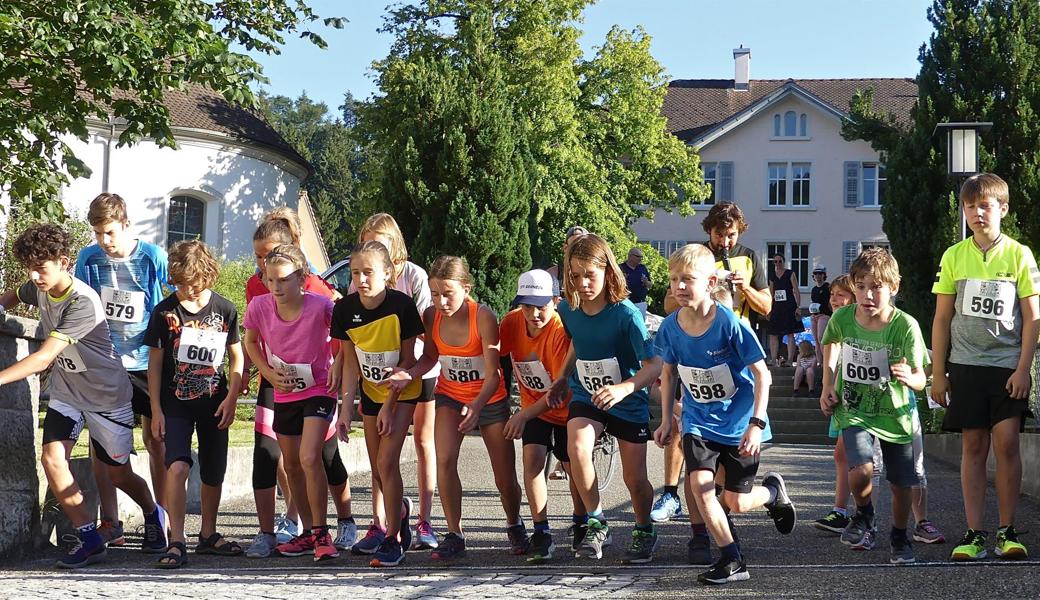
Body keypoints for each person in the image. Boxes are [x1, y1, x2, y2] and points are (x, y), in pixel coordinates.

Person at [0, 223, 167, 568]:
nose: (34, 276)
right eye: (30, 268)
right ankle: (89, 538)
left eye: (41, 268)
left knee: (118, 473)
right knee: (52, 458)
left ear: (64, 262)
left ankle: (154, 514)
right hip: (68, 393)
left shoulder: (82, 302)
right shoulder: (39, 287)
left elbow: (44, 357)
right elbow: (14, 295)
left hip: (106, 396)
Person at [653, 243, 796, 584]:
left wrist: (756, 424)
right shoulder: (670, 327)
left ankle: (772, 494)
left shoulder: (730, 324)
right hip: (698, 422)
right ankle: (732, 560)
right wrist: (665, 419)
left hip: (739, 424)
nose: (678, 287)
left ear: (710, 281)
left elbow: (763, 374)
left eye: (687, 279)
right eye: (674, 280)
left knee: (735, 501)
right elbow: (669, 373)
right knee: (701, 488)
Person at [384, 256, 526, 560]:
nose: (441, 301)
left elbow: (494, 373)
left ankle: (514, 523)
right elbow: (431, 358)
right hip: (450, 395)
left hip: (488, 399)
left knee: (503, 475)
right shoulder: (431, 316)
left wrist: (476, 406)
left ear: (466, 288)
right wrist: (409, 373)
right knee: (444, 459)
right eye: (435, 294)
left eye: (448, 293)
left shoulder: (483, 317)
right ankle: (454, 533)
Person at [931, 173, 1038, 561]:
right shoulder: (953, 256)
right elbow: (942, 319)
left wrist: (1024, 368)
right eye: (970, 206)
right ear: (964, 210)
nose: (978, 213)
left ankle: (1007, 530)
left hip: (1007, 365)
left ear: (1003, 209)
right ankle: (975, 532)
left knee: (1007, 442)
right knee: (973, 445)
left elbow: (1032, 318)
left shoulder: (1019, 253)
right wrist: (938, 372)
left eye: (986, 205)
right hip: (965, 364)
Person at [244, 208, 355, 559]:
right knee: (290, 464)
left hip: (319, 389)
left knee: (311, 456)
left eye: (283, 280)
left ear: (301, 277)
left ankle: (323, 533)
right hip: (284, 391)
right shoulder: (260, 305)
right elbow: (249, 341)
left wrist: (338, 363)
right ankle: (308, 532)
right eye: (269, 279)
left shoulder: (321, 304)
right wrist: (266, 371)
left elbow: (344, 336)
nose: (275, 286)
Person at [650, 202, 771, 525]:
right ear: (709, 232)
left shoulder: (749, 257)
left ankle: (729, 510)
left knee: (730, 488)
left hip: (735, 355)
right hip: (692, 351)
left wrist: (743, 288)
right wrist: (691, 288)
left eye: (731, 235)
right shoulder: (693, 258)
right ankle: (677, 499)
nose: (726, 242)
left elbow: (767, 306)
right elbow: (668, 303)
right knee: (686, 432)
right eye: (720, 234)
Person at [546, 233, 662, 564]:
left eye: (590, 275)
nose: (582, 283)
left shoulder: (626, 314)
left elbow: (654, 365)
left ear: (608, 271)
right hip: (587, 394)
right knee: (577, 446)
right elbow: (576, 343)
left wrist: (625, 387)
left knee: (635, 480)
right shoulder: (568, 309)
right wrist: (562, 378)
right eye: (575, 276)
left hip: (626, 399)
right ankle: (597, 520)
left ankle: (644, 529)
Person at [819, 247, 928, 564]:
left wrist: (911, 377)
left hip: (895, 415)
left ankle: (899, 534)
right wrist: (827, 384)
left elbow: (923, 377)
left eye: (876, 287)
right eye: (862, 286)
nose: (868, 295)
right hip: (855, 410)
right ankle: (864, 513)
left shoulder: (905, 326)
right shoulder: (842, 317)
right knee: (861, 469)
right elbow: (831, 342)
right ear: (853, 286)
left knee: (900, 483)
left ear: (893, 288)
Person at [75, 193, 169, 546]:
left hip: (147, 362)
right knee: (101, 444)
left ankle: (160, 519)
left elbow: (170, 299)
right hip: (106, 361)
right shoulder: (88, 258)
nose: (104, 241)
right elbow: (80, 301)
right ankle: (110, 522)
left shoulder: (151, 256)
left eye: (110, 233)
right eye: (98, 233)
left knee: (155, 440)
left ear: (126, 224)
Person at [146, 240, 243, 567]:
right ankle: (176, 540)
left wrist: (232, 398)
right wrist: (156, 409)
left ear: (208, 277)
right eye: (180, 283)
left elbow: (237, 357)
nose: (187, 290)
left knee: (214, 470)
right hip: (176, 403)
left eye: (194, 283)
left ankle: (208, 534)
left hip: (215, 401)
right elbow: (155, 363)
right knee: (178, 465)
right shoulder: (164, 311)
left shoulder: (225, 310)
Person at [332, 240, 425, 567]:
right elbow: (350, 364)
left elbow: (405, 359)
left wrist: (390, 402)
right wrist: (345, 409)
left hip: (402, 392)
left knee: (387, 462)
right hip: (371, 395)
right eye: (355, 273)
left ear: (388, 273)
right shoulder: (343, 310)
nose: (361, 279)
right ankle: (399, 511)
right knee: (377, 469)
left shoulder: (402, 306)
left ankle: (392, 539)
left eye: (368, 272)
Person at [354, 213, 439, 551]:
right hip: (377, 377)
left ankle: (425, 520)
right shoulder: (362, 276)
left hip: (419, 371)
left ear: (395, 243)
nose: (372, 246)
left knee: (422, 441)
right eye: (367, 240)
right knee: (381, 452)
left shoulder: (414, 276)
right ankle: (380, 521)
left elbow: (423, 329)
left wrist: (408, 369)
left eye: (380, 240)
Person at [500, 269, 586, 563]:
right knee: (533, 460)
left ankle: (581, 521)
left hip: (566, 405)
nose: (534, 314)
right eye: (527, 306)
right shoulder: (512, 322)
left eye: (542, 306)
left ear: (555, 300)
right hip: (534, 405)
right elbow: (498, 358)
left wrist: (523, 415)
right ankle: (542, 530)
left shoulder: (560, 333)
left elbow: (557, 393)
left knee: (572, 464)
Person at [812, 274, 856, 533]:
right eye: (832, 295)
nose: (835, 299)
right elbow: (831, 355)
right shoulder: (837, 324)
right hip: (844, 395)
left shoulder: (864, 322)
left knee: (869, 461)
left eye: (841, 294)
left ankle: (918, 519)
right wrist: (828, 387)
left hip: (869, 400)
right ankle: (840, 511)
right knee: (842, 454)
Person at [768, 254, 802, 368]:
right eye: (775, 262)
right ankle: (773, 359)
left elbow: (796, 290)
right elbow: (771, 293)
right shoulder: (772, 276)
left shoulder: (790, 273)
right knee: (773, 334)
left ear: (783, 261)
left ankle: (789, 360)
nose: (778, 263)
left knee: (790, 333)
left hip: (789, 306)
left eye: (780, 261)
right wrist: (768, 309)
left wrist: (798, 306)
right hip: (777, 307)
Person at [809, 266, 832, 367]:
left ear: (824, 275)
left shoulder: (827, 287)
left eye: (820, 274)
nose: (818, 276)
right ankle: (820, 361)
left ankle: (826, 359)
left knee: (821, 337)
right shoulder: (814, 289)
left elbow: (830, 302)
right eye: (816, 274)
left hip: (824, 315)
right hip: (814, 315)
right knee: (816, 340)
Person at [621, 247, 652, 321]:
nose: (641, 259)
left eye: (642, 257)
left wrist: (646, 282)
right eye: (638, 256)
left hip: (640, 303)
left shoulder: (642, 268)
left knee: (639, 325)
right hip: (625, 303)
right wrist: (622, 280)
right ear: (630, 256)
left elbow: (650, 285)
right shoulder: (621, 268)